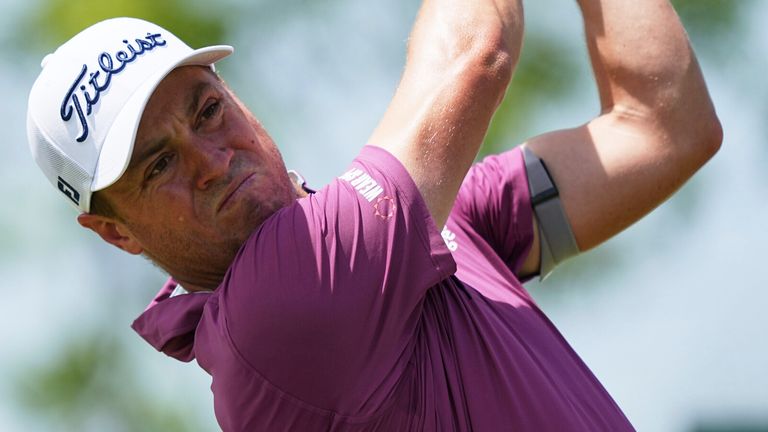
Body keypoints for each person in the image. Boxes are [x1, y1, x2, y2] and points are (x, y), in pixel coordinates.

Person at [26, 0, 721, 430]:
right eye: (159, 165)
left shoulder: (401, 244)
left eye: (208, 111)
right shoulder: (278, 309)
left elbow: (663, 126)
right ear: (115, 232)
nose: (211, 160)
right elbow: (475, 54)